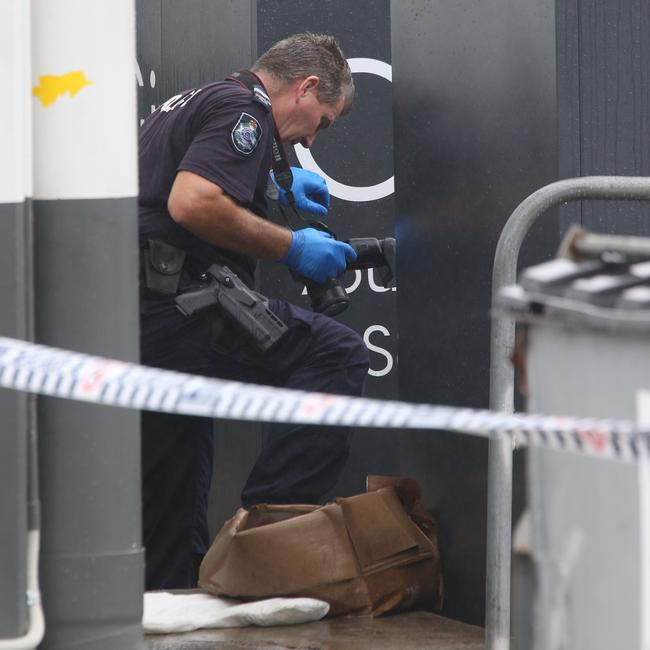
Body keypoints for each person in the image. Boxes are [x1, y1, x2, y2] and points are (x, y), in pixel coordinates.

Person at [138, 33, 370, 590]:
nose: (315, 136)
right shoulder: (245, 110)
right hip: (178, 309)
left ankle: (166, 604)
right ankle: (265, 543)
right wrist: (293, 247)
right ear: (307, 87)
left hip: (144, 312)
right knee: (337, 355)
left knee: (174, 493)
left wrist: (268, 185)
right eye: (323, 121)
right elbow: (191, 201)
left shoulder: (196, 100)